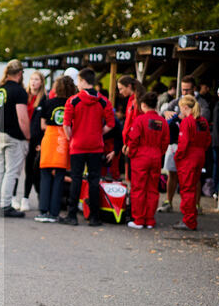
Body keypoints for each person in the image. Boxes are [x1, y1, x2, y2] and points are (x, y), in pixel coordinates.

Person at [61, 67, 115, 226]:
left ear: (83, 81)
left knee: (76, 179)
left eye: (78, 81)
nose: (77, 84)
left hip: (77, 145)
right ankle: (94, 217)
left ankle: (72, 216)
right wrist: (99, 132)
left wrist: (72, 138)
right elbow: (111, 124)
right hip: (96, 146)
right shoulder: (104, 101)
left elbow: (66, 125)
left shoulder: (73, 100)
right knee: (94, 180)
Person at [0, 59, 30, 218]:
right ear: (20, 73)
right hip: (14, 135)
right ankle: (6, 205)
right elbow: (22, 118)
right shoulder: (19, 91)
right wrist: (27, 137)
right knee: (11, 171)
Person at [34, 75, 75, 223]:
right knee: (59, 176)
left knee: (45, 175)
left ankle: (43, 210)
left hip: (49, 139)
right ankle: (54, 213)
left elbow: (42, 125)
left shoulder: (48, 102)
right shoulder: (71, 103)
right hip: (64, 140)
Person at [125, 92, 168, 229]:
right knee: (152, 189)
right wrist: (158, 153)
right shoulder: (162, 121)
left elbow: (133, 140)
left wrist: (132, 153)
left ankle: (138, 220)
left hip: (140, 157)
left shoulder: (139, 120)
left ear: (143, 105)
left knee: (138, 189)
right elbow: (165, 142)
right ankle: (149, 220)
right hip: (155, 157)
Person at [173, 95, 211, 230]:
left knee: (187, 189)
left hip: (189, 157)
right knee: (193, 188)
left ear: (184, 107)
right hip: (200, 155)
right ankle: (190, 219)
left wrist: (177, 157)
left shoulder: (187, 122)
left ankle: (188, 221)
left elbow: (183, 144)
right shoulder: (203, 122)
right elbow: (208, 141)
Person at [20, 70, 46, 211]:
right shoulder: (24, 96)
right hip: (22, 136)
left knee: (32, 169)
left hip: (35, 140)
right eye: (32, 79)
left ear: (41, 82)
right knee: (17, 169)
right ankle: (12, 198)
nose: (33, 82)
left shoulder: (44, 99)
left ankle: (27, 197)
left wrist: (41, 142)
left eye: (36, 79)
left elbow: (42, 124)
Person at [117, 75, 144, 181]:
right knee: (130, 177)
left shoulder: (137, 102)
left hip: (134, 145)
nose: (120, 92)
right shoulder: (131, 100)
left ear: (129, 86)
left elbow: (135, 126)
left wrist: (129, 144)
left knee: (133, 178)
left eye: (121, 89)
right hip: (129, 143)